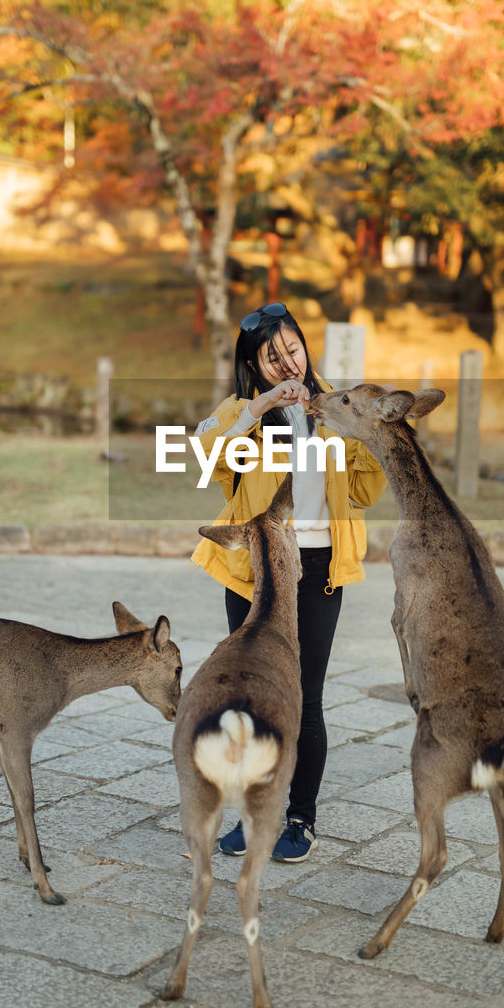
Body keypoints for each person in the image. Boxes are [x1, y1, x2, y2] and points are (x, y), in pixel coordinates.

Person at [191, 302, 386, 862]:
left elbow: (368, 492)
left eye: (292, 348)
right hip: (254, 571)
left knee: (306, 698)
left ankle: (299, 818)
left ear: (305, 344)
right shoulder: (241, 414)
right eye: (270, 357)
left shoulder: (339, 409)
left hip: (320, 568)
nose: (286, 362)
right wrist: (260, 406)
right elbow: (204, 454)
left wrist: (361, 430)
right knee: (252, 697)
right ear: (254, 367)